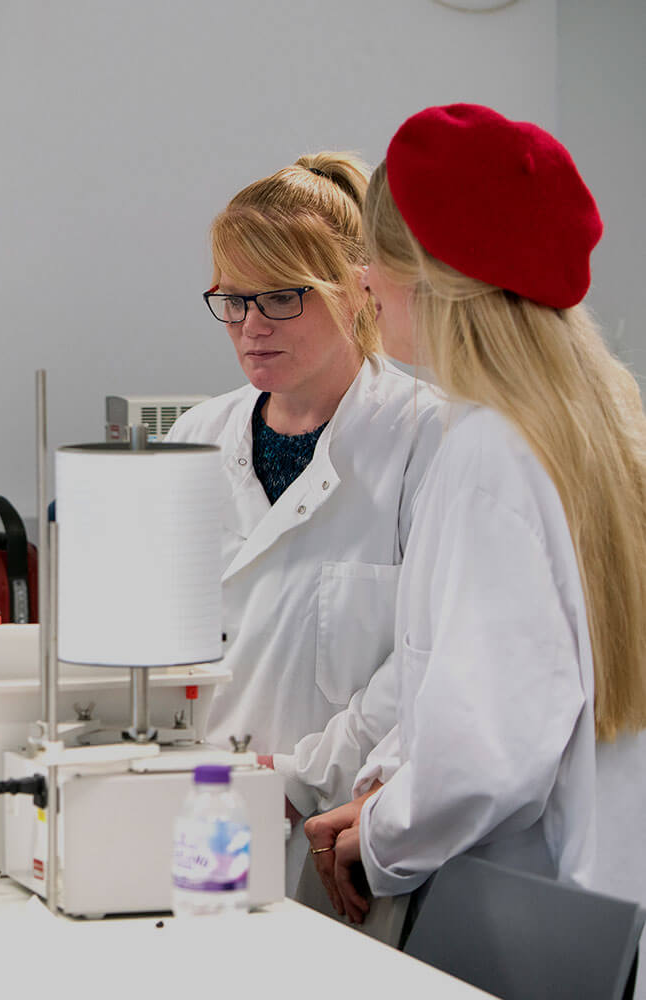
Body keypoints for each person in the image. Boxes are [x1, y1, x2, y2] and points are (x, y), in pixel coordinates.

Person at [305, 105, 646, 976]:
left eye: (373, 256)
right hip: (605, 917)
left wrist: (377, 833)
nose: (364, 280)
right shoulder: (608, 426)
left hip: (522, 924)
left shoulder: (490, 454)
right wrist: (388, 787)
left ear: (427, 277)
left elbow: (488, 755)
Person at [165, 152, 445, 891]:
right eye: (233, 300)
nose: (251, 326)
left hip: (338, 828)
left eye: (281, 298)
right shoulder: (194, 438)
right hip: (197, 813)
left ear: (357, 290)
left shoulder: (426, 441)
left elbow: (428, 655)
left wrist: (301, 775)